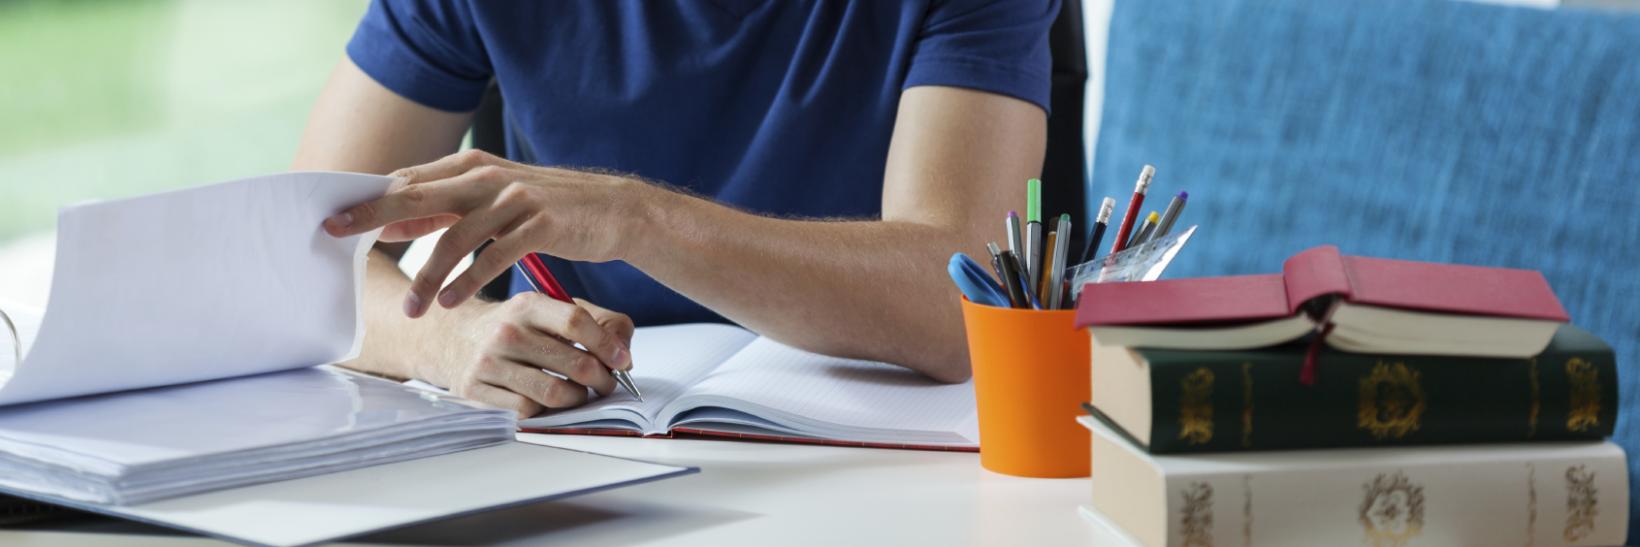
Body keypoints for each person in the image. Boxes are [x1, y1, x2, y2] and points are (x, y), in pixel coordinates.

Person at [295, 1, 1056, 416]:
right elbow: (298, 253)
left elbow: (960, 303)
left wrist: (638, 219)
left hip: (872, 451)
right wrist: (449, 342)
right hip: (574, 438)